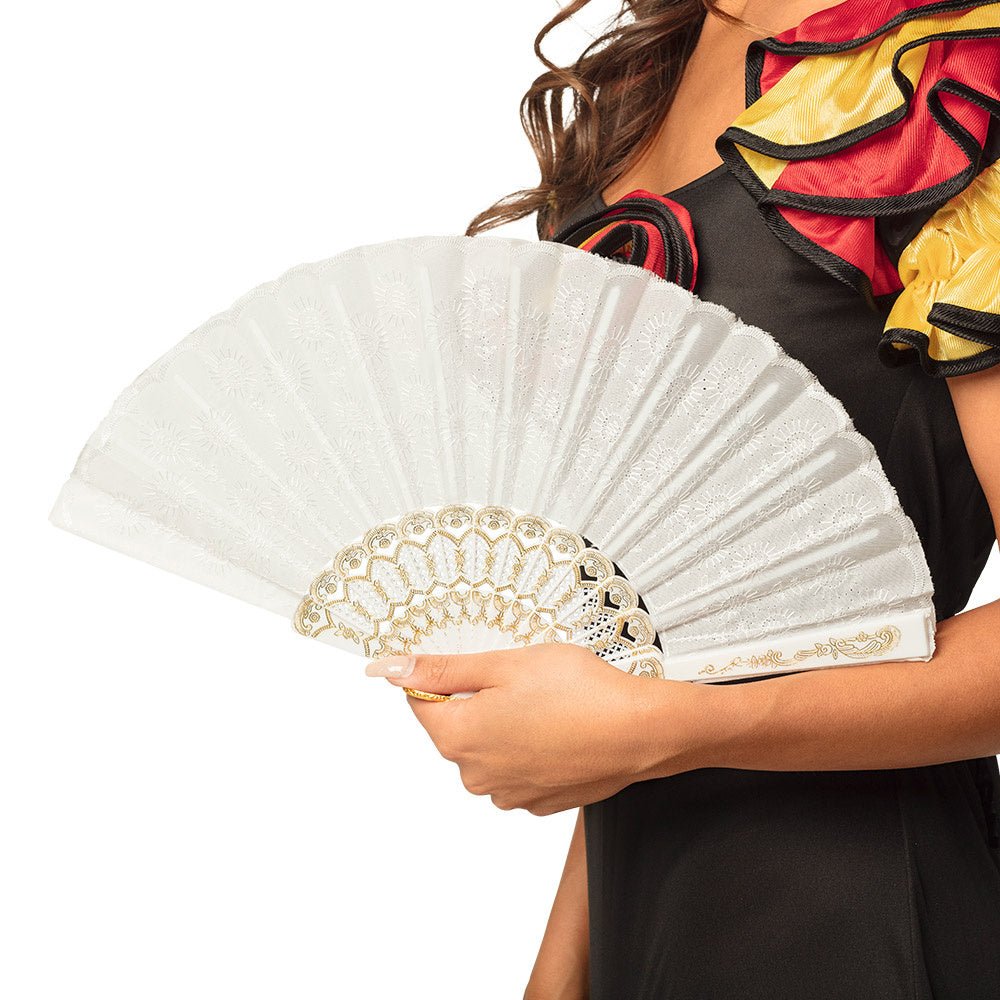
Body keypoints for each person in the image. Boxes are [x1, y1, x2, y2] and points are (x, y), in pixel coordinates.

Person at [364, 1, 1000, 996]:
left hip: (862, 920)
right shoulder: (640, 81)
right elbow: (648, 655)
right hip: (644, 919)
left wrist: (676, 725)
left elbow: (648, 714)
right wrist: (558, 972)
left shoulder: (950, 79)